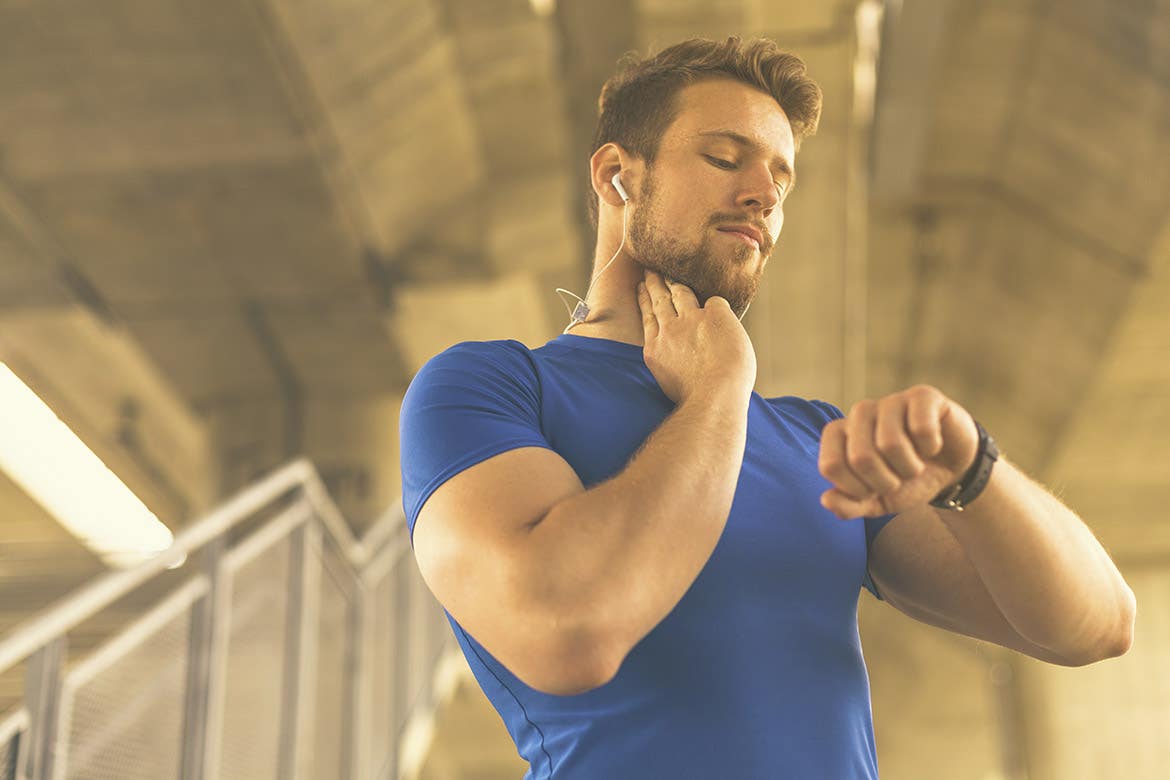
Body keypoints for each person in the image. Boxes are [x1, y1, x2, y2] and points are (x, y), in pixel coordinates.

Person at [399, 36, 1135, 779]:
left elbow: (1098, 626)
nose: (766, 193)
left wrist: (974, 468)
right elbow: (568, 630)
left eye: (782, 177)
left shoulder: (814, 438)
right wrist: (720, 392)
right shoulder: (486, 388)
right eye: (725, 158)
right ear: (618, 177)